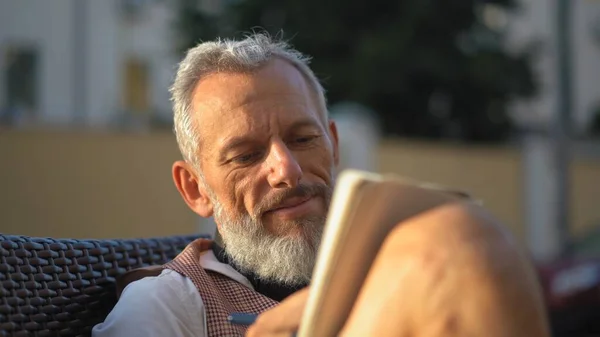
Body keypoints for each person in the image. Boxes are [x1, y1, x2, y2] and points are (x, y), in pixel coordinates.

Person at [92, 33, 550, 337]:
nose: (286, 170)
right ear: (195, 189)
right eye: (246, 156)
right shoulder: (167, 306)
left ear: (333, 146)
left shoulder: (387, 274)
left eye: (303, 139)